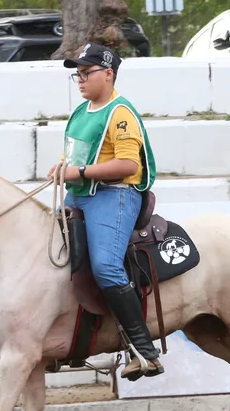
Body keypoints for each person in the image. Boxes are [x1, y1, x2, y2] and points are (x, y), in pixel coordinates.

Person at [47, 43, 163, 381]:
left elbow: (128, 164)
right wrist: (65, 168)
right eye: (77, 75)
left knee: (105, 265)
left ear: (108, 73)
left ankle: (144, 350)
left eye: (87, 73)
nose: (80, 80)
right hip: (80, 194)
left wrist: (77, 174)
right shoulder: (82, 112)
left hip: (115, 195)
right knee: (48, 250)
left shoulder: (121, 113)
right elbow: (79, 157)